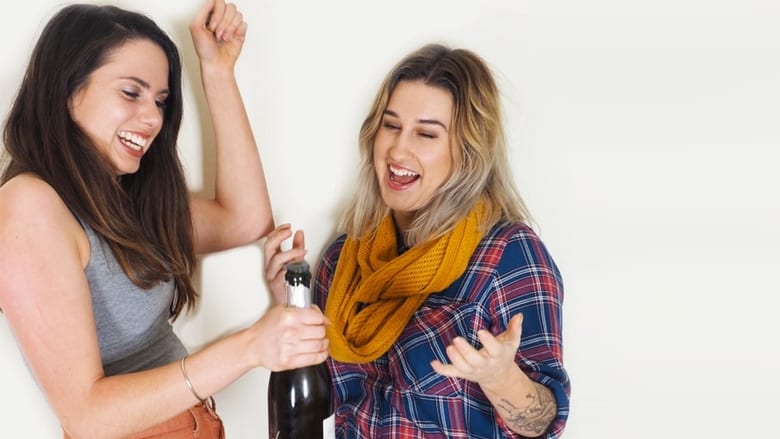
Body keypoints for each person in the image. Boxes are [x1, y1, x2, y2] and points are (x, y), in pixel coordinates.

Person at [0, 1, 329, 438]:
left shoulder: (121, 199)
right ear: (67, 89)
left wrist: (217, 70)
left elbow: (245, 220)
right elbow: (86, 417)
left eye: (160, 101)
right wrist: (250, 347)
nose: (154, 118)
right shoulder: (29, 204)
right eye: (130, 93)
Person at [264, 43, 570, 438]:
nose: (398, 148)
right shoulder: (344, 260)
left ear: (468, 152)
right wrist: (290, 307)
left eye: (426, 133)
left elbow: (545, 422)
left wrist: (500, 378)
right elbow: (317, 401)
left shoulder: (507, 255)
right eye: (391, 126)